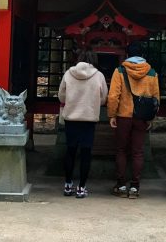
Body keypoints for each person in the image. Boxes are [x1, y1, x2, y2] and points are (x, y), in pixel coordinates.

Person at [106, 42, 160, 199]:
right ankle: (135, 187)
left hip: (123, 116)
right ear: (142, 55)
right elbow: (156, 97)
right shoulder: (151, 72)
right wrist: (151, 117)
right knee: (137, 152)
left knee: (121, 150)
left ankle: (121, 185)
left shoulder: (120, 71)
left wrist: (112, 115)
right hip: (142, 118)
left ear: (127, 55)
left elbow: (113, 96)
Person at [58, 49, 107, 199]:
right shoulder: (98, 75)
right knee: (86, 153)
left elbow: (61, 95)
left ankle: (67, 184)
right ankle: (81, 187)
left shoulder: (68, 74)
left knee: (70, 151)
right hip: (88, 119)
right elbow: (104, 98)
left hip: (71, 118)